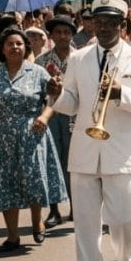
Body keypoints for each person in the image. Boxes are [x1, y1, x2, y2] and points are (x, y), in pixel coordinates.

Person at [49, 0, 131, 261]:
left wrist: (122, 94)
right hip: (84, 152)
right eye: (99, 23)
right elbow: (72, 103)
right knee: (85, 227)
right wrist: (57, 95)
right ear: (92, 25)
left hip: (121, 153)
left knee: (124, 220)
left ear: (122, 25)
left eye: (111, 23)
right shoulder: (79, 58)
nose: (104, 28)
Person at [0, 28, 67, 252]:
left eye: (19, 44)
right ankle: (12, 236)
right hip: (1, 137)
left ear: (25, 48)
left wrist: (44, 116)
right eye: (10, 44)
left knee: (34, 180)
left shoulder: (38, 72)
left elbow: (54, 99)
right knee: (6, 184)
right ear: (1, 49)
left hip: (32, 133)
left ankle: (37, 222)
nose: (15, 47)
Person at [36, 15, 79, 227]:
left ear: (72, 35)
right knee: (51, 162)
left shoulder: (81, 58)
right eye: (58, 32)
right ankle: (54, 210)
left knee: (75, 163)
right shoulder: (41, 61)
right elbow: (37, 92)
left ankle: (76, 207)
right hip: (51, 116)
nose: (62, 36)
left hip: (76, 116)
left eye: (66, 32)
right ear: (51, 36)